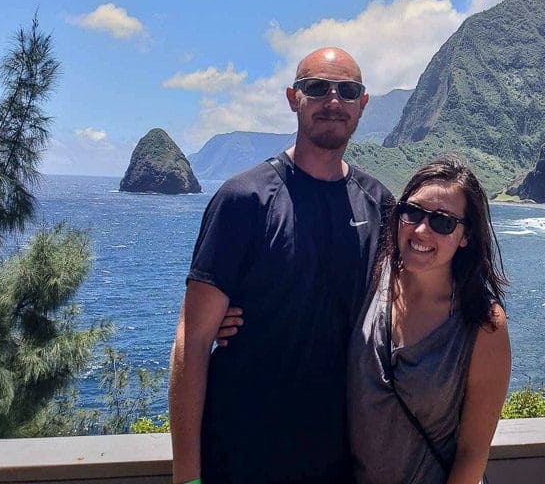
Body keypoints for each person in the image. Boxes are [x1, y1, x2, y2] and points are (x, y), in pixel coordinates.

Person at [168, 47, 392, 484]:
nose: (333, 101)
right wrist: (187, 477)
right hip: (241, 457)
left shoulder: (379, 203)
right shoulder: (244, 200)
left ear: (363, 104)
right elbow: (191, 342)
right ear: (294, 98)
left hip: (342, 462)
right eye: (317, 88)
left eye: (348, 91)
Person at [348, 156, 511, 484]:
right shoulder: (371, 276)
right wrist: (229, 319)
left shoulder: (483, 324)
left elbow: (473, 453)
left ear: (465, 236)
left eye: (443, 222)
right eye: (413, 212)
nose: (422, 230)